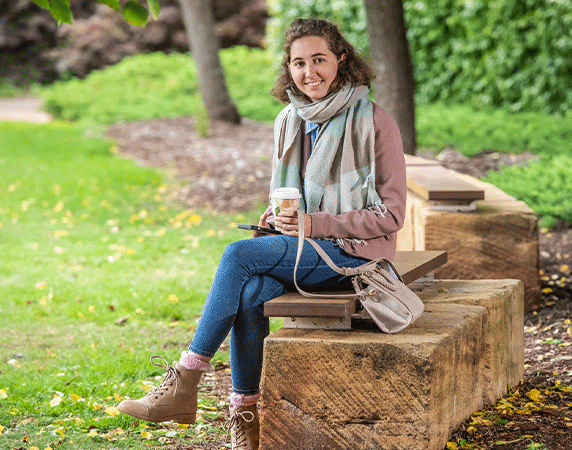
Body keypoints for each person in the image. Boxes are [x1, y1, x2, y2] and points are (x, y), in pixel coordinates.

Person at [117, 18, 407, 450]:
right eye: (298, 63)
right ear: (288, 68)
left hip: (354, 258)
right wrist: (273, 220)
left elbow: (392, 215)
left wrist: (316, 225)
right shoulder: (288, 121)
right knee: (252, 290)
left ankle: (186, 380)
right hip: (301, 251)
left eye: (319, 60)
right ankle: (246, 418)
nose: (309, 73)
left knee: (238, 256)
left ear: (342, 60)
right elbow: (284, 197)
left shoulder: (374, 122)